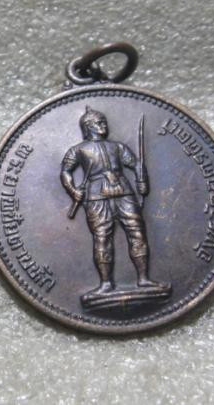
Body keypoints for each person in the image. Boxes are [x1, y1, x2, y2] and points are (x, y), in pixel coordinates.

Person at [60, 106, 168, 297]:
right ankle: (106, 284)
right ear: (88, 126)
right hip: (96, 196)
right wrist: (73, 190)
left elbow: (136, 164)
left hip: (124, 191)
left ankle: (143, 279)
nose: (104, 125)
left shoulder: (117, 147)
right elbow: (65, 172)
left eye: (104, 122)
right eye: (99, 123)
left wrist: (142, 181)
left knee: (137, 232)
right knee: (102, 237)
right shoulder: (78, 150)